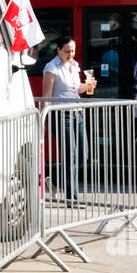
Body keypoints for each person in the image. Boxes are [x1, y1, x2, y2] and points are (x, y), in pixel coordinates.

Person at [41, 35, 98, 204]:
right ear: (58, 50)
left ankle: (55, 180)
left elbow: (75, 89)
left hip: (77, 113)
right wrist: (44, 120)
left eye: (73, 51)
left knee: (83, 154)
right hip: (60, 115)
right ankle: (71, 197)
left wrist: (87, 86)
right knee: (71, 155)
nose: (71, 54)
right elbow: (46, 96)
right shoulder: (51, 68)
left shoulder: (75, 66)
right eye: (67, 51)